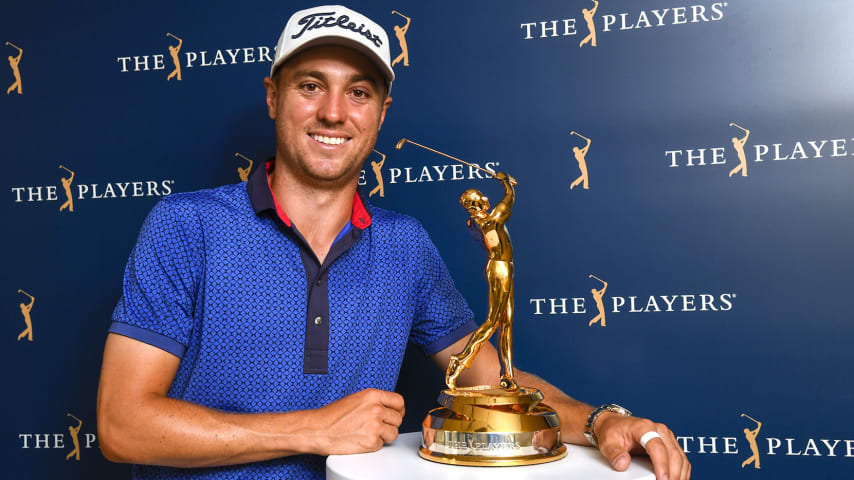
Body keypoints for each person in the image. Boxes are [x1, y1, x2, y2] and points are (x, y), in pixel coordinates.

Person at [97, 5, 690, 480]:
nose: (334, 112)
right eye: (311, 85)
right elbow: (123, 425)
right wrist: (312, 429)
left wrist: (606, 421)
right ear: (274, 96)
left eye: (358, 93)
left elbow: (496, 382)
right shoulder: (186, 227)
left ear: (381, 114)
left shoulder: (405, 246)